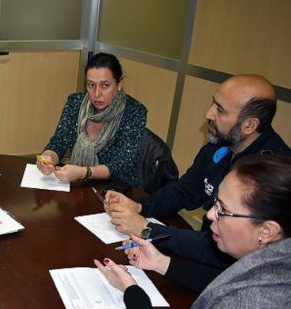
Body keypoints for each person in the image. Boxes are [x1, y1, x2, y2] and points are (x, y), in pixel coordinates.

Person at [94, 154, 291, 309]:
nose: (209, 215)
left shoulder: (263, 303)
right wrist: (160, 263)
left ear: (267, 231)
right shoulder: (275, 265)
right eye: (214, 203)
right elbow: (219, 280)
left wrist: (131, 289)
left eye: (223, 210)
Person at [105, 74, 290, 266]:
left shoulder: (272, 176)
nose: (208, 114)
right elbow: (184, 190)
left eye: (220, 110)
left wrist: (146, 228)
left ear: (249, 125)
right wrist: (139, 206)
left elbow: (221, 251)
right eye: (213, 104)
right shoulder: (220, 143)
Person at [36, 52, 147, 186]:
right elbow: (59, 142)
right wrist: (48, 157)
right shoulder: (76, 103)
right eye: (91, 85)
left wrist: (84, 172)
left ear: (119, 84)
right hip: (76, 184)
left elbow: (120, 166)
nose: (96, 94)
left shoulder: (134, 111)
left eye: (105, 85)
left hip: (116, 189)